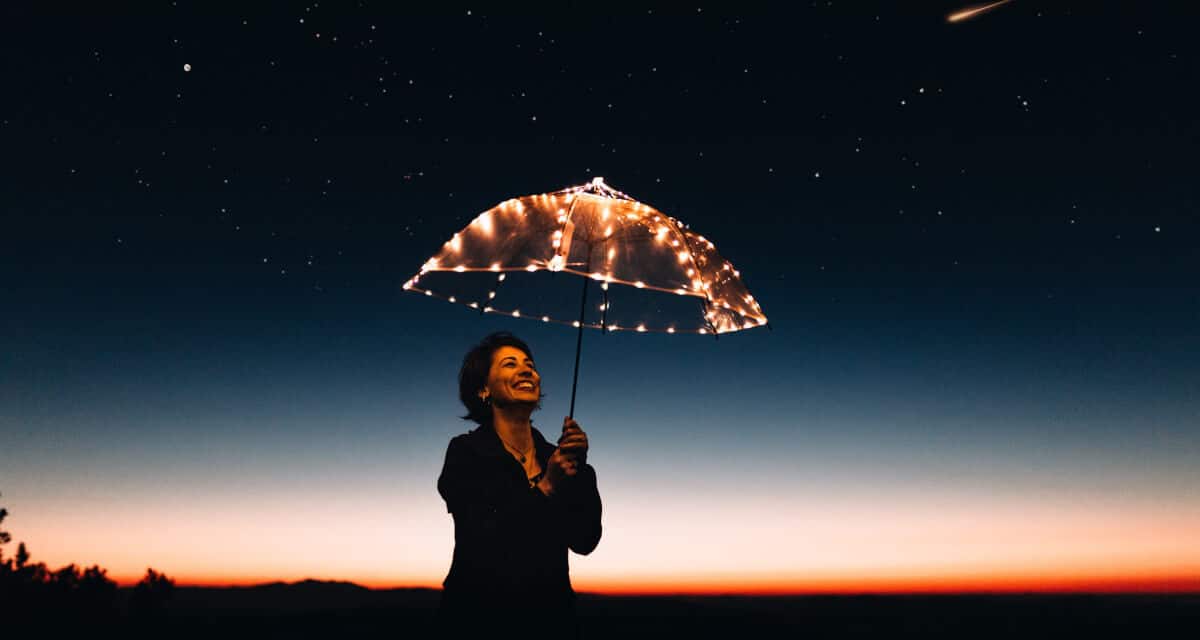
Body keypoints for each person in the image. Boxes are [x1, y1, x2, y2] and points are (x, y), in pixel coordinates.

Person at [435, 331, 603, 635]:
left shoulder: (556, 458)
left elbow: (585, 540)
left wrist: (579, 471)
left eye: (530, 364)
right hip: (477, 620)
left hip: (551, 620)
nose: (527, 370)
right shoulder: (466, 453)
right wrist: (548, 487)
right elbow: (484, 537)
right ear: (483, 389)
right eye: (510, 364)